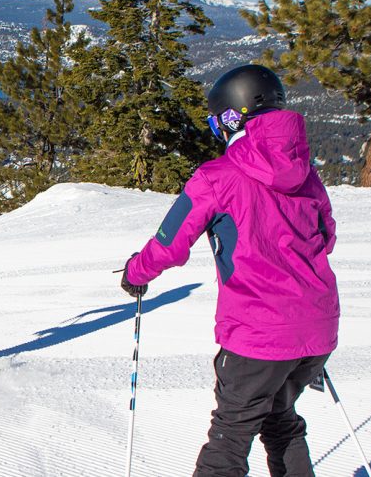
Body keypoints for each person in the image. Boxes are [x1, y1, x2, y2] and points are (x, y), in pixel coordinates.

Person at [120, 64, 340, 477]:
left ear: (229, 117)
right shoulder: (307, 175)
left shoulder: (217, 176)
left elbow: (169, 244)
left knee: (231, 433)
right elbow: (326, 239)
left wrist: (136, 272)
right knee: (279, 418)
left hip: (259, 333)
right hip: (317, 329)